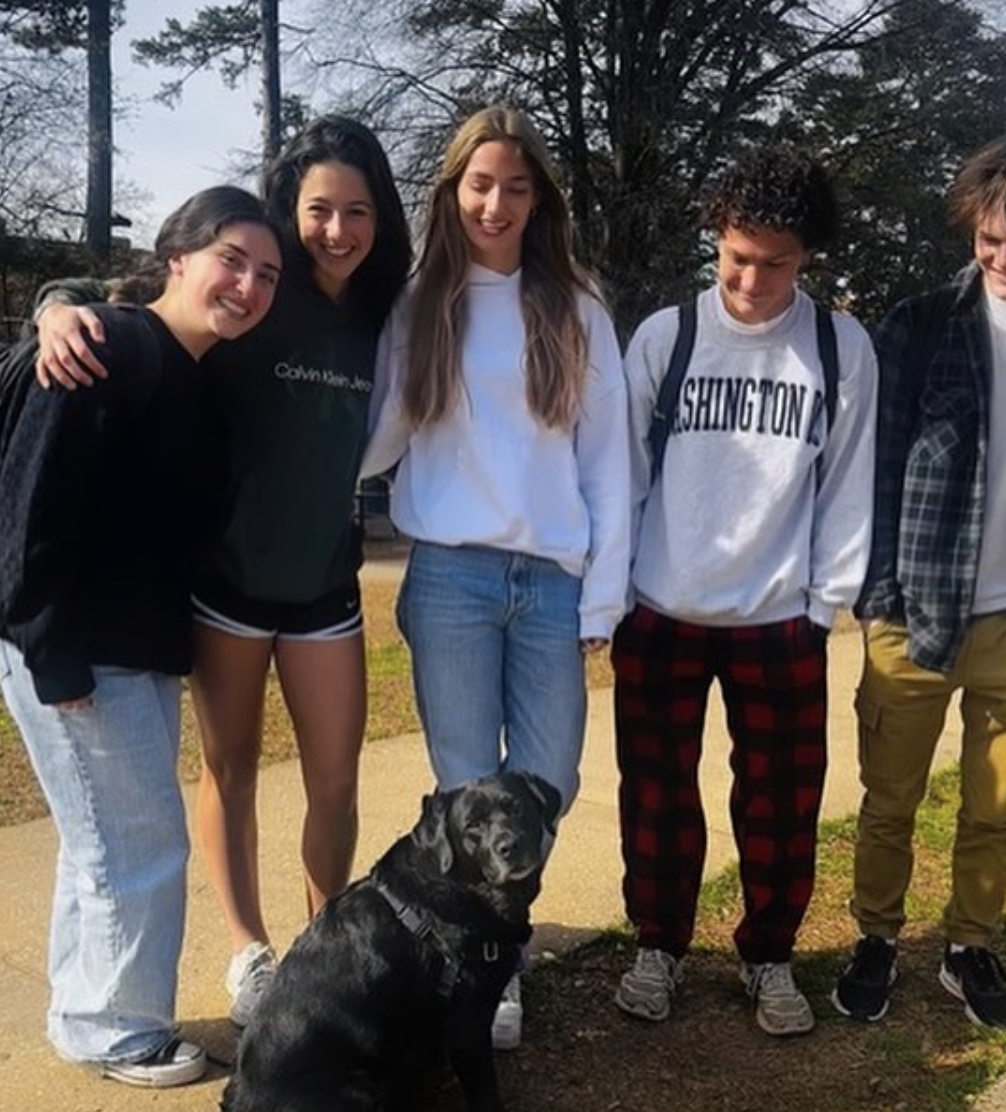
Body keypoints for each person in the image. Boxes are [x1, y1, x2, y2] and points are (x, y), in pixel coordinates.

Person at [33, 115, 413, 1027]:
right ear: (291, 208)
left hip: (323, 587)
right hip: (226, 586)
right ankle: (249, 951)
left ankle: (327, 955)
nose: (337, 229)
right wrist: (54, 299)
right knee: (229, 767)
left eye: (356, 211)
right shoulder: (252, 290)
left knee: (335, 777)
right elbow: (134, 302)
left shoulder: (381, 309)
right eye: (319, 208)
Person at [362, 104, 630, 1049]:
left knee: (548, 778)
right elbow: (378, 435)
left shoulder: (577, 308)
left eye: (516, 186)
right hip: (448, 579)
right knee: (469, 790)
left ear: (539, 197)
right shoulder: (416, 302)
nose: (496, 203)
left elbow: (607, 462)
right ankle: (486, 970)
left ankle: (492, 943)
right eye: (480, 184)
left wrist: (605, 591)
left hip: (551, 580)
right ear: (452, 191)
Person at [0, 186, 281, 1086]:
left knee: (104, 841)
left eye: (266, 274)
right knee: (141, 842)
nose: (246, 284)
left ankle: (85, 1010)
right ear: (179, 258)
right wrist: (49, 646)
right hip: (76, 648)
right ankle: (117, 1028)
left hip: (137, 650)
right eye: (231, 260)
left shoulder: (193, 374)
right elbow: (30, 500)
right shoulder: (104, 347)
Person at [612, 146, 877, 1036]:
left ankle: (768, 956)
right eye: (736, 257)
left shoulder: (840, 347)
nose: (753, 279)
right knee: (655, 795)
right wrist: (616, 592)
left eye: (776, 262)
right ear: (712, 239)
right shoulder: (665, 337)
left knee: (780, 804)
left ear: (807, 257)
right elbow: (624, 472)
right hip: (662, 610)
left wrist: (820, 605)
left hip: (779, 621)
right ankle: (659, 945)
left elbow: (846, 481)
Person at [831, 126, 1006, 1032]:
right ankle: (876, 938)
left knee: (991, 809)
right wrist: (878, 595)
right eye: (987, 236)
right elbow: (873, 470)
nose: (1001, 256)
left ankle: (968, 946)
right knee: (887, 800)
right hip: (914, 609)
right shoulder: (918, 328)